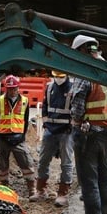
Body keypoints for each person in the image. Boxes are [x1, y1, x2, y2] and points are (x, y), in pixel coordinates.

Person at [67, 35, 107, 214]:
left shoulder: (87, 70)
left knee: (89, 183)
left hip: (89, 134)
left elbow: (79, 102)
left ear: (82, 51)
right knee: (105, 179)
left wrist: (76, 120)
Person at [0, 75, 36, 199]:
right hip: (3, 137)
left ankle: (32, 189)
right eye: (10, 89)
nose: (12, 91)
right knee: (3, 165)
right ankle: (4, 190)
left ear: (18, 88)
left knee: (26, 162)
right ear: (6, 88)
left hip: (18, 138)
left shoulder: (24, 101)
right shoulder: (1, 101)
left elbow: (25, 121)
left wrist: (22, 136)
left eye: (14, 89)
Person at [31, 70, 74, 206]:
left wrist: (71, 127)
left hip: (66, 132)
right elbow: (44, 107)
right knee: (43, 160)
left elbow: (77, 109)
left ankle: (63, 193)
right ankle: (41, 190)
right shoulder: (50, 87)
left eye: (60, 77)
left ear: (66, 75)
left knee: (66, 162)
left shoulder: (72, 88)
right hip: (50, 130)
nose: (58, 79)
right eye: (56, 76)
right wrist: (45, 124)